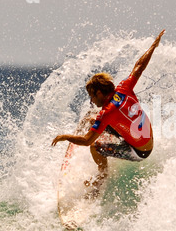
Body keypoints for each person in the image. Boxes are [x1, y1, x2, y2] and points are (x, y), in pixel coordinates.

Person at [52, 29, 165, 189]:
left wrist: (65, 137)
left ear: (99, 92)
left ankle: (102, 176)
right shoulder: (123, 88)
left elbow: (86, 141)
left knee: (95, 146)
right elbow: (139, 66)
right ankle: (97, 128)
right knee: (92, 117)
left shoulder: (107, 113)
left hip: (139, 151)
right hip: (146, 136)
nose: (91, 99)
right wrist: (153, 46)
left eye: (92, 96)